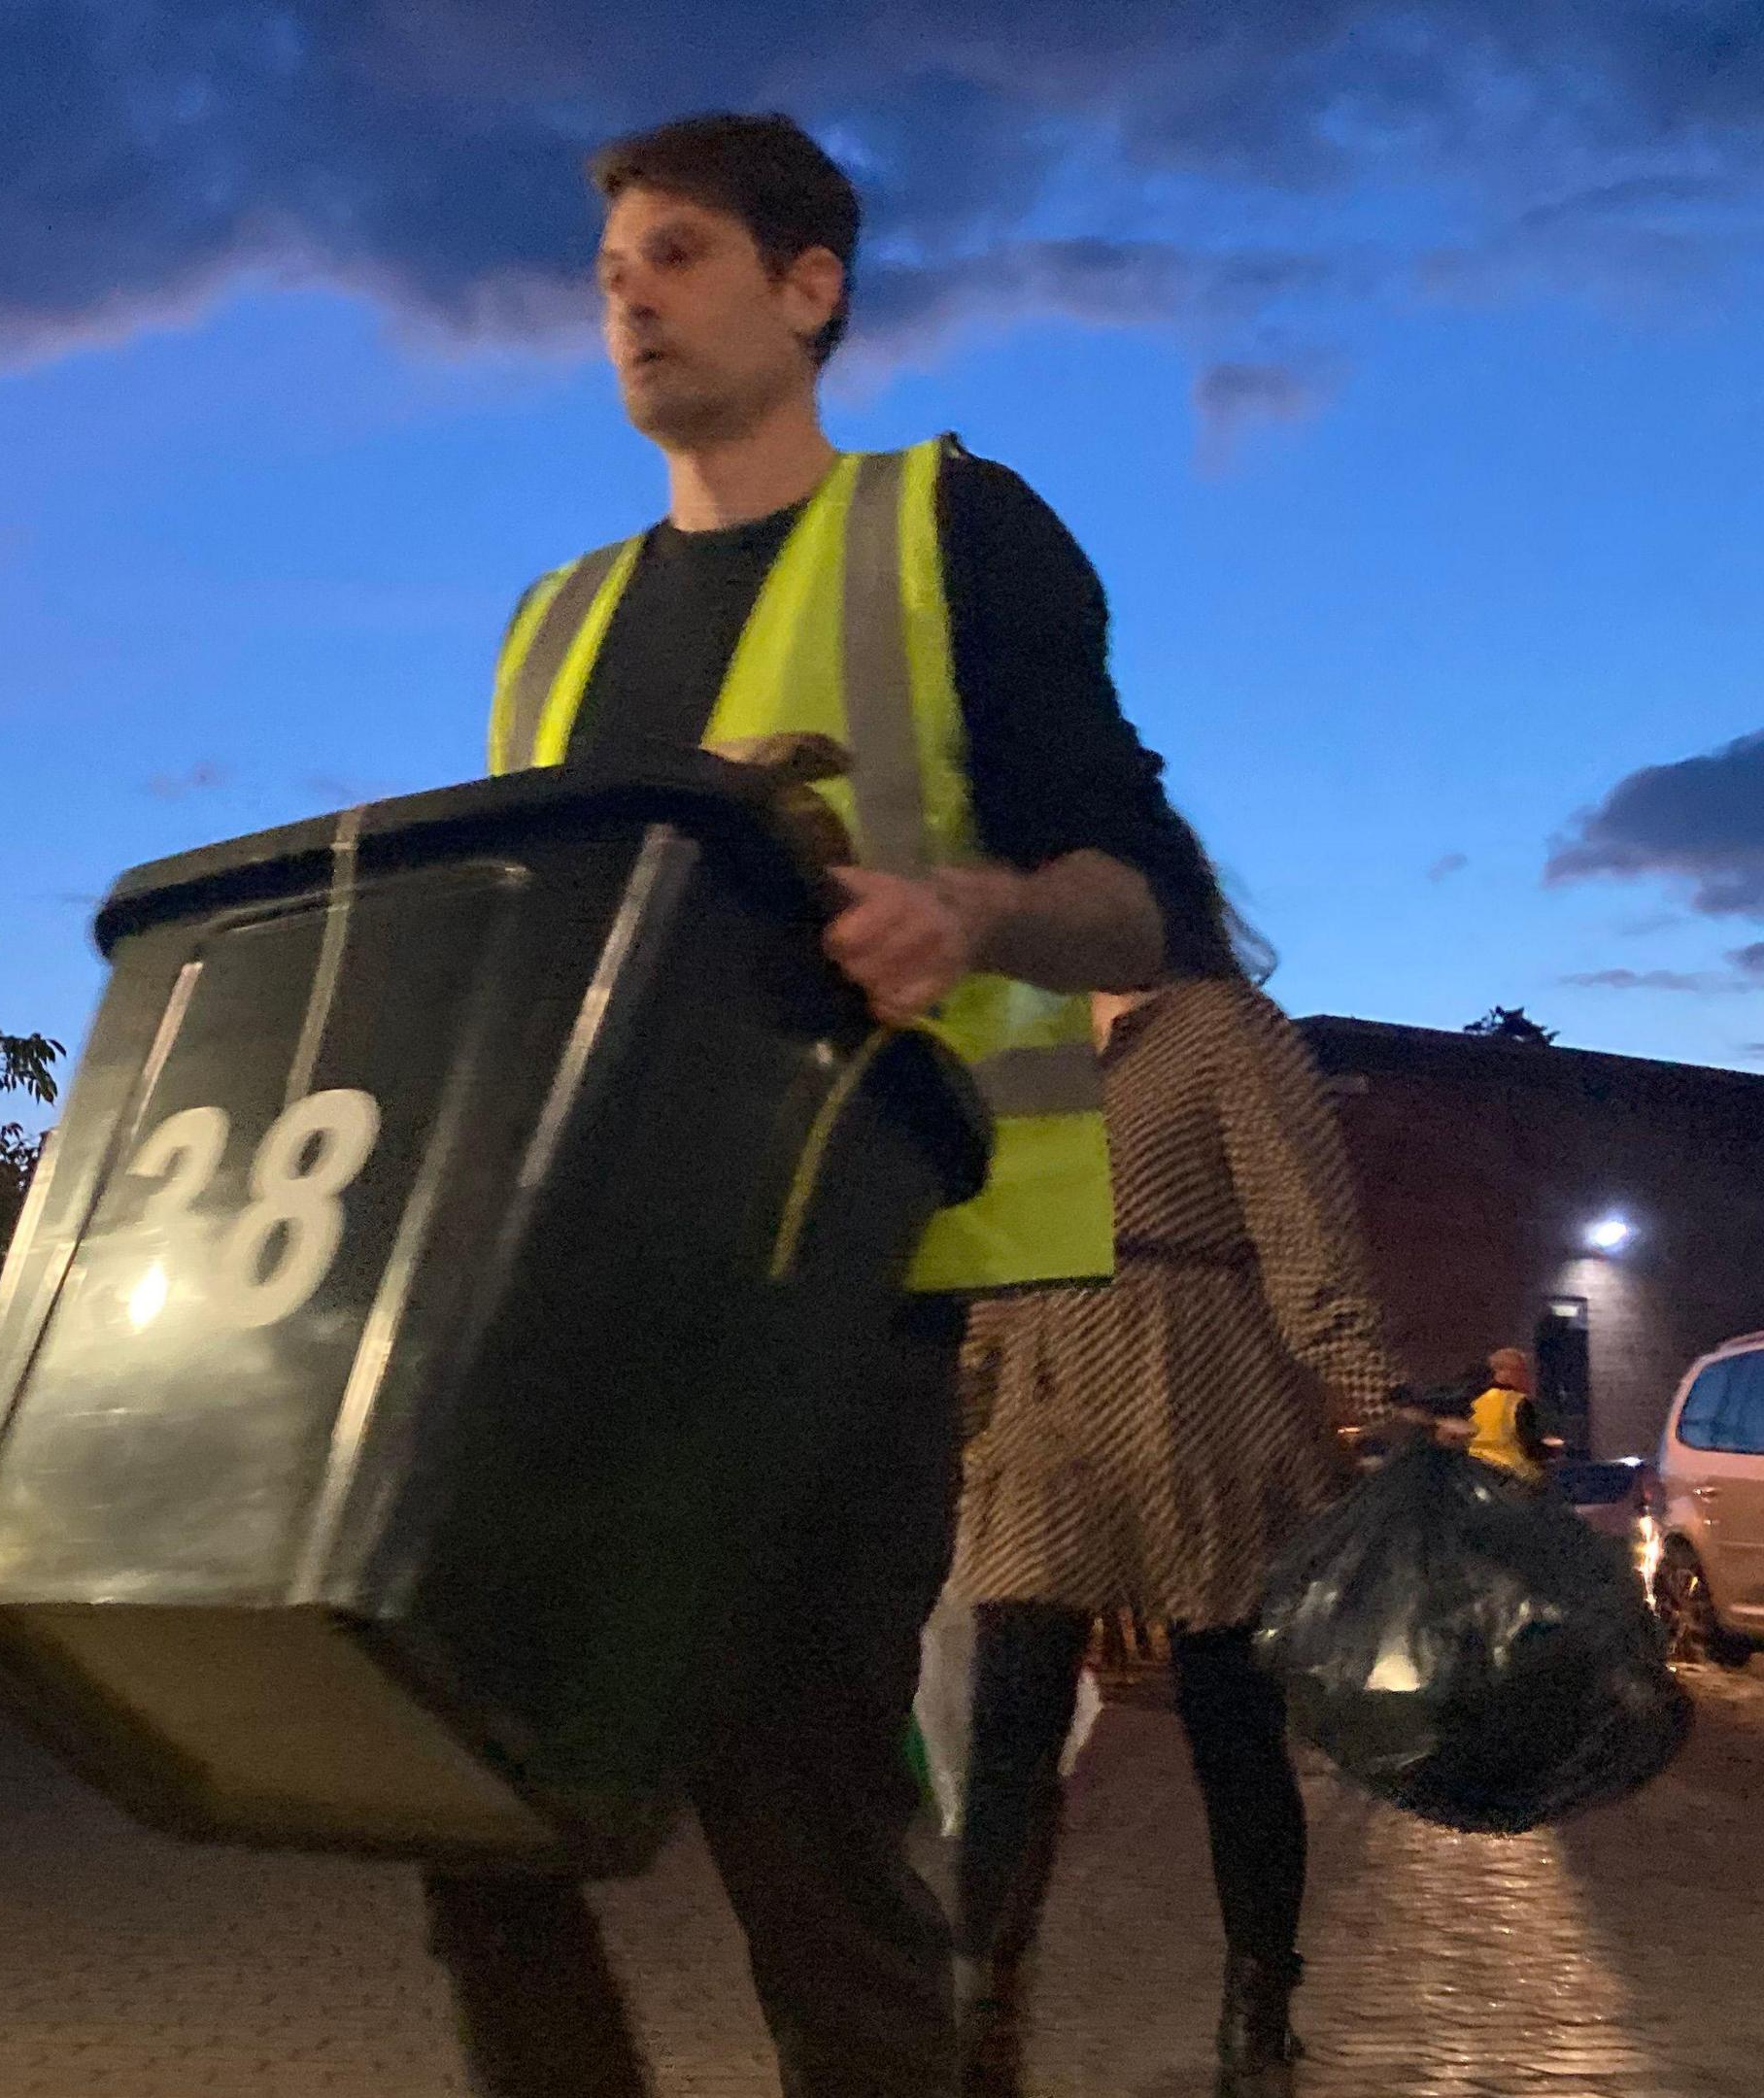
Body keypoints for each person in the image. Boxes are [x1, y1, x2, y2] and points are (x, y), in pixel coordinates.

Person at [430, 111, 1208, 2098]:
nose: (631, 300)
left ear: (810, 285)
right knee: (463, 1798)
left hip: (846, 1299)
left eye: (678, 255)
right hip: (591, 1301)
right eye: (612, 272)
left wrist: (972, 909)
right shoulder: (553, 624)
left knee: (814, 1856)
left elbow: (1149, 898)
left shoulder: (954, 528)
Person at [945, 861, 1410, 2098]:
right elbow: (996, 1236)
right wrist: (969, 1402)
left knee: (1229, 1720)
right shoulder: (1021, 1038)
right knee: (1011, 1717)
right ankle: (976, 1997)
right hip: (1050, 1398)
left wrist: (1361, 1387)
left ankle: (1260, 2003)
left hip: (1198, 1383)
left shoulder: (1221, 1027)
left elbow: (1300, 1214)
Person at [1461, 1346, 1553, 1485]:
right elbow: (1534, 1445)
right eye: (1522, 1371)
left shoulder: (1475, 1401)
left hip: (1478, 1477)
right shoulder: (1519, 1403)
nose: (1526, 1377)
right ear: (1508, 1372)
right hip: (1515, 1479)